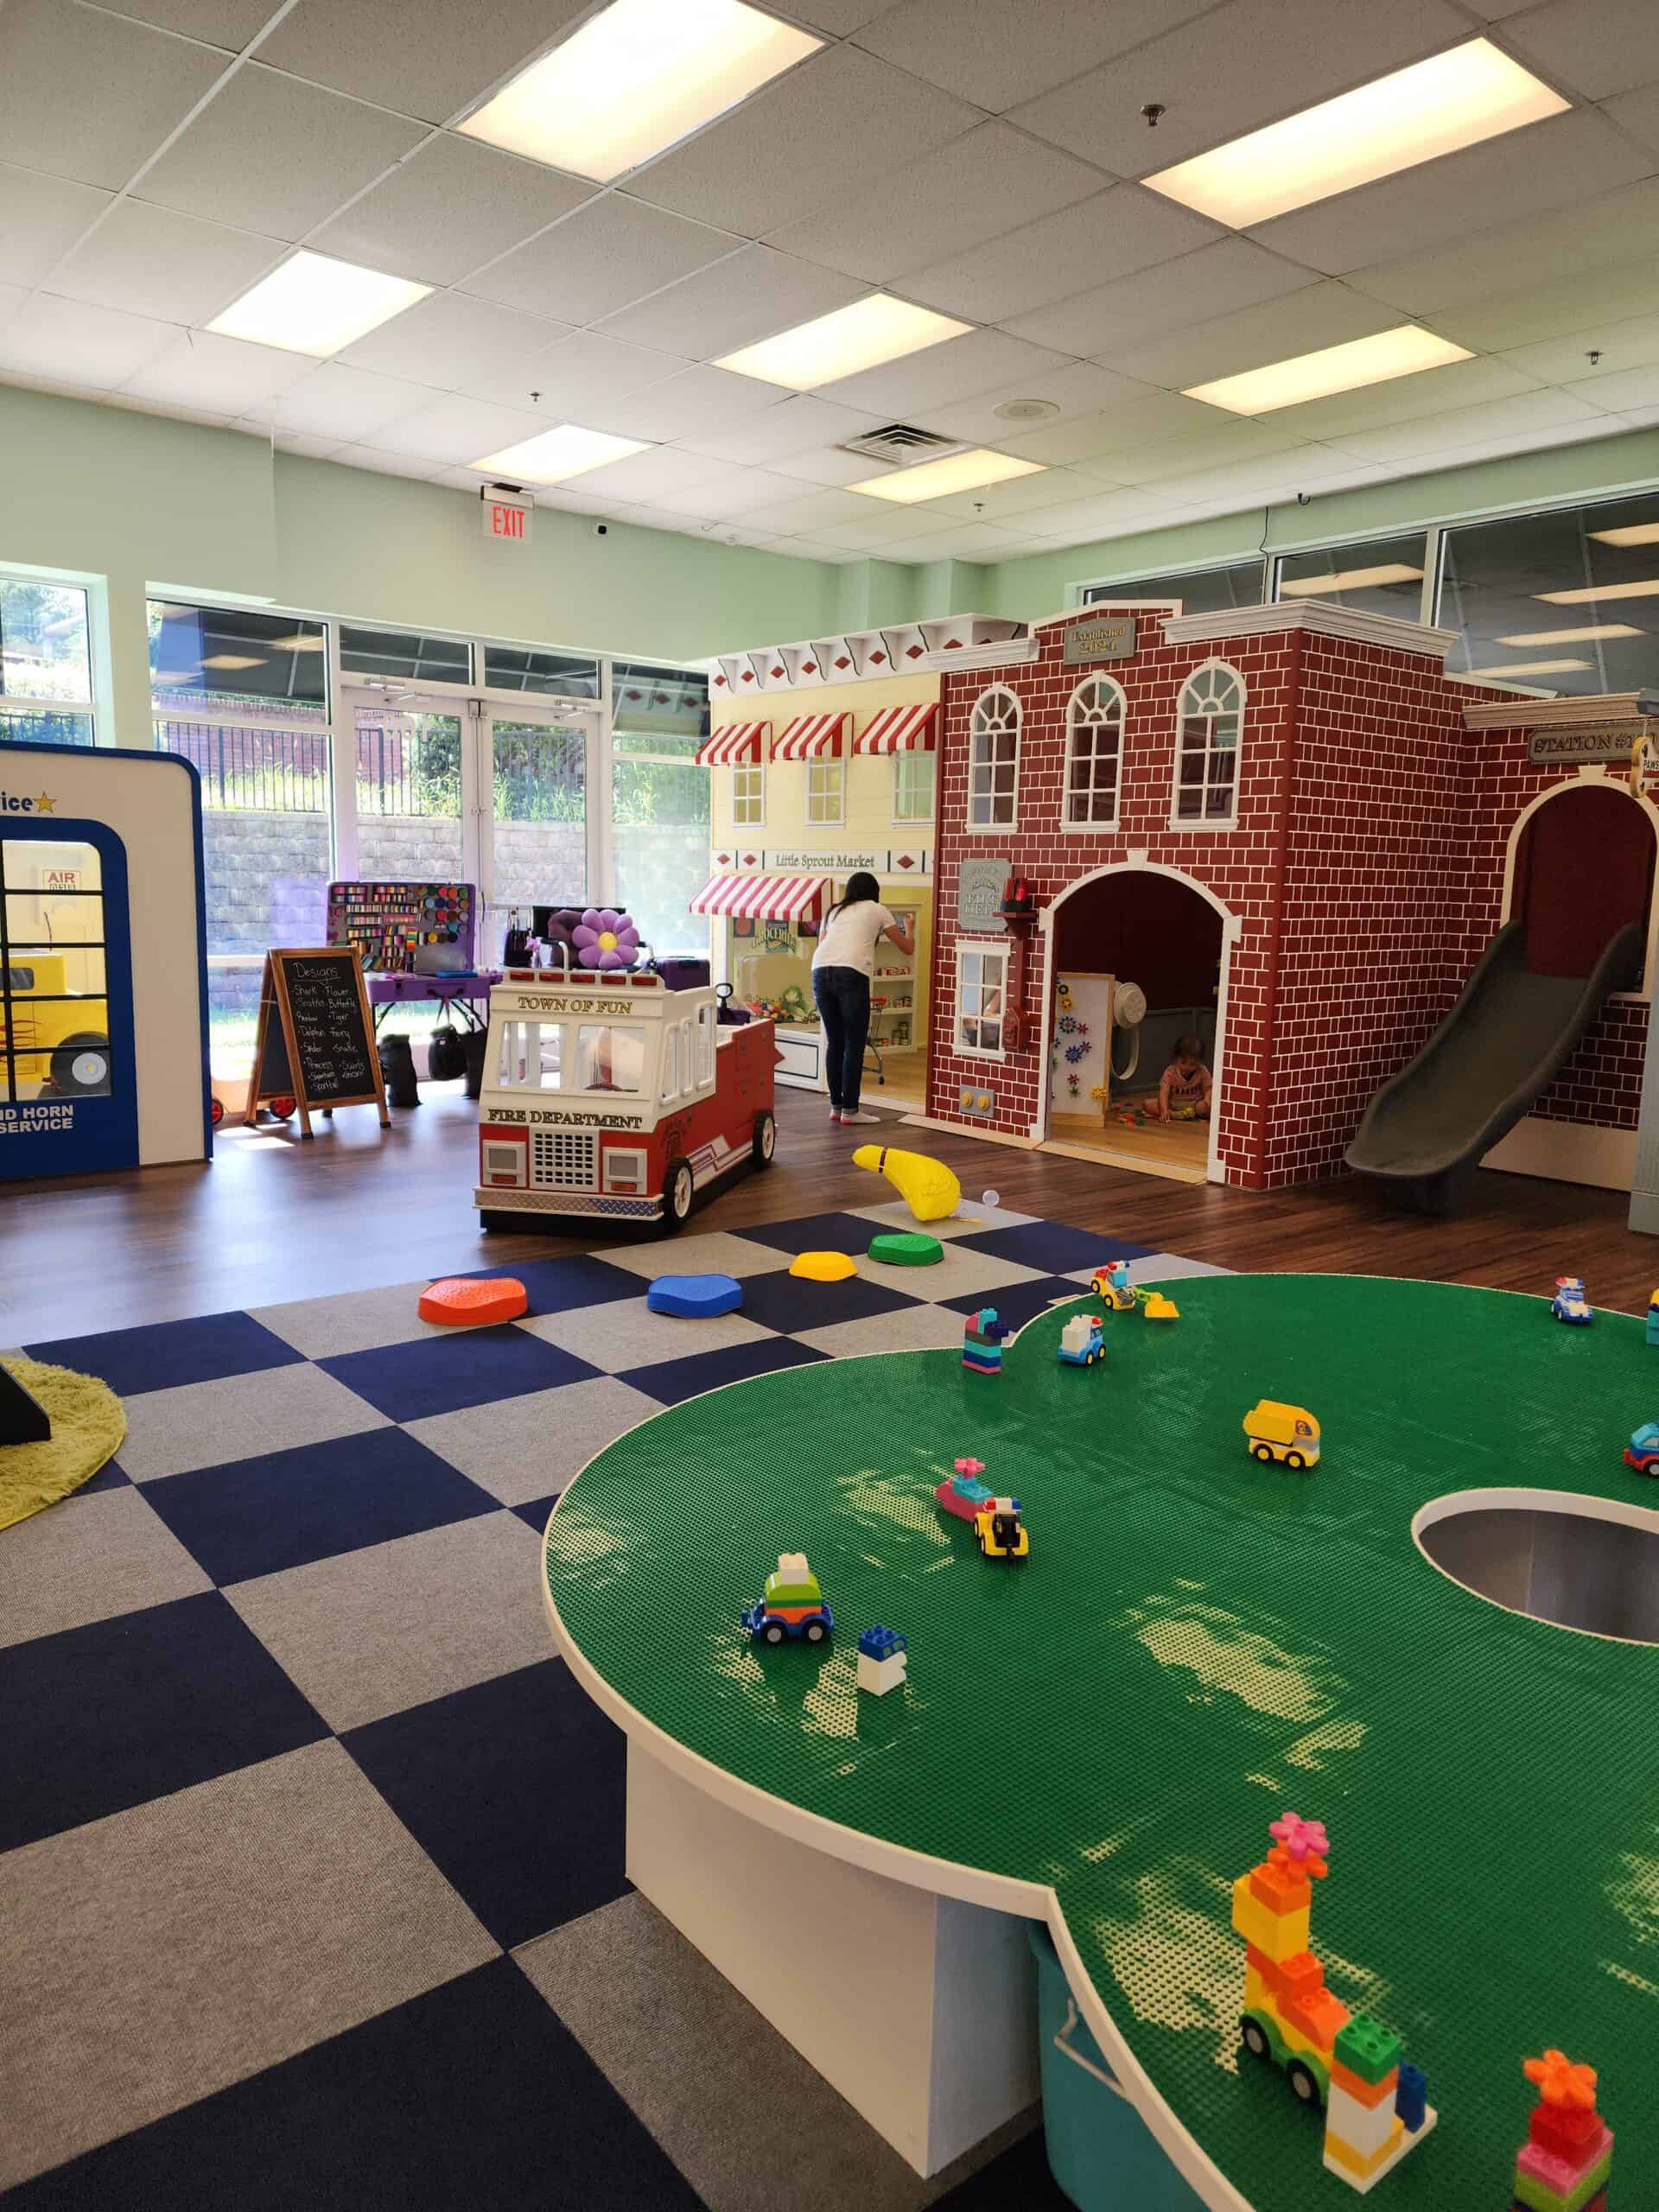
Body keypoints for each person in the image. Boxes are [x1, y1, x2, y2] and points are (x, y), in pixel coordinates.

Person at [810, 870, 915, 1124]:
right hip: (852, 973)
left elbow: (824, 943)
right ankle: (851, 1111)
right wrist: (909, 927)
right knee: (854, 1043)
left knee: (835, 1043)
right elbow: (907, 948)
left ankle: (836, 1107)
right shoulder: (878, 909)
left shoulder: (834, 911)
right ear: (873, 891)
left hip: (820, 971)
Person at [1151, 1033, 1211, 1122]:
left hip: (1195, 1105)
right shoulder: (1170, 1071)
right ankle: (1173, 1114)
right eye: (1183, 1062)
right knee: (1147, 1104)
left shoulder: (1202, 1070)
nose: (1187, 1067)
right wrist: (1164, 1110)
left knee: (1209, 1107)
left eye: (1193, 1064)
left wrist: (1207, 1100)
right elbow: (1164, 1092)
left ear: (1200, 1062)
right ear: (1176, 1058)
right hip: (1173, 1104)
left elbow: (1208, 1088)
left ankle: (1183, 1114)